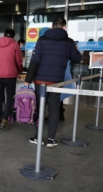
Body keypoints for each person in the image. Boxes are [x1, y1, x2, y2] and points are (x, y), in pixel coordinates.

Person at [25, 17, 82, 147]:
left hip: (40, 81)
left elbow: (35, 61)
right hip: (56, 82)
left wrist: (28, 80)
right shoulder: (69, 42)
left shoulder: (42, 40)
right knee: (54, 110)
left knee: (39, 109)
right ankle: (51, 139)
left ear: (52, 26)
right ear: (64, 27)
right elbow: (77, 59)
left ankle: (37, 137)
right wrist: (75, 48)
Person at [0, 28, 23, 130]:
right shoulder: (14, 45)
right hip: (10, 75)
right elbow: (18, 61)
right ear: (13, 36)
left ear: (4, 35)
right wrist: (19, 70)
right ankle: (5, 120)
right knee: (10, 98)